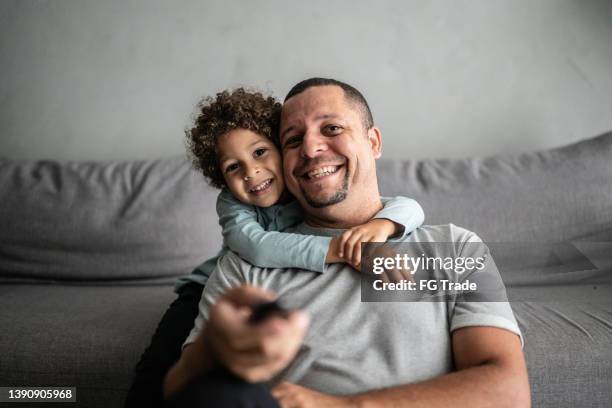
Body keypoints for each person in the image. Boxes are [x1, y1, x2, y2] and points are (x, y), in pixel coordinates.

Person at [162, 78, 531, 407]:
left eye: (332, 128)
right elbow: (183, 391)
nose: (310, 149)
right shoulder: (244, 263)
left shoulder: (456, 248)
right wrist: (211, 349)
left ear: (373, 142)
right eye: (293, 139)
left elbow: (507, 392)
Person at [125, 88, 425, 408]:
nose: (251, 172)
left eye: (259, 153)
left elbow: (408, 207)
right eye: (232, 167)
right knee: (158, 368)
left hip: (266, 290)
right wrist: (342, 248)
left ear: (281, 152)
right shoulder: (233, 204)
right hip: (204, 290)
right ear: (221, 179)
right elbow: (258, 248)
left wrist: (383, 226)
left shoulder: (305, 186)